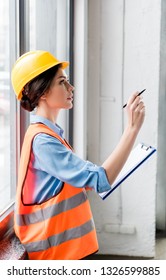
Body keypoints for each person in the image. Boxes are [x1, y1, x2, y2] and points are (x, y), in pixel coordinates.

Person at [11, 50, 145, 260]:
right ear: (42, 91)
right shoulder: (44, 142)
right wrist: (132, 129)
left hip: (65, 253)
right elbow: (101, 179)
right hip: (58, 256)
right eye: (62, 82)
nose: (70, 87)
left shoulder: (47, 135)